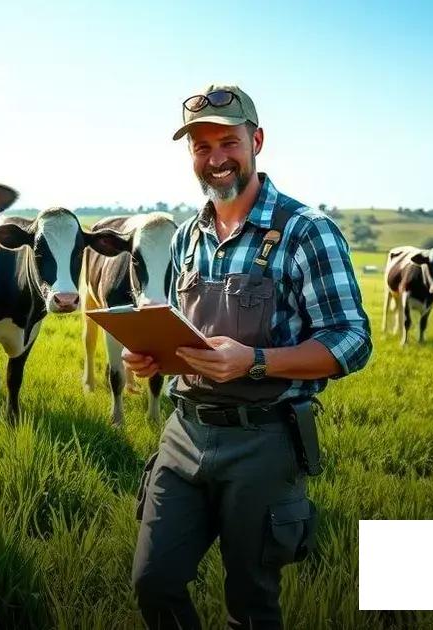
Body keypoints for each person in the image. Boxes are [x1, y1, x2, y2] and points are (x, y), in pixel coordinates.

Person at [125, 84, 372, 629]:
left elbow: (352, 340)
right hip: (183, 432)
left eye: (227, 142)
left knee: (252, 604)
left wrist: (255, 361)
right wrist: (157, 357)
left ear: (256, 140)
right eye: (200, 146)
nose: (215, 158)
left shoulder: (307, 231)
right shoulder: (188, 233)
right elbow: (194, 336)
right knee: (153, 583)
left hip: (264, 440)